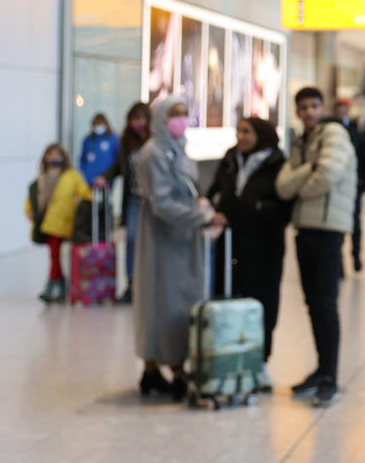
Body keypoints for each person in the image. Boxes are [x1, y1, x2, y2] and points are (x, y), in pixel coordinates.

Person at [132, 96, 226, 400]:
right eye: (175, 114)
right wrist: (203, 216)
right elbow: (162, 203)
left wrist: (199, 205)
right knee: (164, 300)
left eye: (186, 114)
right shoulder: (153, 153)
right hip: (163, 240)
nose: (182, 119)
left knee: (175, 300)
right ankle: (173, 368)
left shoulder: (178, 149)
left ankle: (155, 369)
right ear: (160, 117)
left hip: (182, 237)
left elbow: (184, 190)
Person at [276, 86, 357, 407]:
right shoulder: (302, 140)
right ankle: (321, 370)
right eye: (303, 107)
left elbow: (327, 174)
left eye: (313, 106)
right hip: (305, 228)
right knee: (312, 304)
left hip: (327, 229)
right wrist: (305, 174)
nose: (308, 112)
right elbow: (283, 186)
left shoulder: (334, 134)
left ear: (322, 107)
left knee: (325, 304)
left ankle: (330, 379)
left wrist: (302, 182)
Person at [207, 117, 288, 389]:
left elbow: (284, 205)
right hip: (230, 243)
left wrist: (257, 208)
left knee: (262, 303)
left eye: (247, 132)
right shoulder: (231, 159)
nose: (240, 137)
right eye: (238, 131)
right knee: (229, 296)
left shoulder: (277, 162)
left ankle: (260, 362)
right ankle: (228, 360)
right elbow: (214, 191)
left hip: (264, 246)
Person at [24, 144, 91, 303]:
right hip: (45, 222)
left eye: (57, 154)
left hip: (62, 221)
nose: (53, 158)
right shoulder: (41, 178)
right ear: (45, 158)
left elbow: (84, 192)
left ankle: (50, 286)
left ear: (63, 157)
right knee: (54, 256)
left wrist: (97, 196)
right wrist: (28, 210)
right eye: (50, 154)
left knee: (54, 255)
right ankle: (61, 286)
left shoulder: (72, 175)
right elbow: (32, 199)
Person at [97, 103, 150, 303]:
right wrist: (104, 177)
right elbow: (118, 167)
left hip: (154, 200)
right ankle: (131, 284)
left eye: (141, 118)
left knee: (152, 243)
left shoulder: (156, 142)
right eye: (134, 119)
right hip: (135, 199)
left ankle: (150, 285)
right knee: (132, 240)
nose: (138, 123)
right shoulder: (127, 142)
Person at [332, 100, 365, 273]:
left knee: (355, 225)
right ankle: (339, 263)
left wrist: (363, 185)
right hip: (335, 188)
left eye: (343, 112)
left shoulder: (356, 135)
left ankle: (356, 256)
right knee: (337, 226)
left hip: (353, 188)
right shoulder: (329, 135)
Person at [79, 113, 119, 189]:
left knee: (105, 199)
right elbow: (83, 158)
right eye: (96, 125)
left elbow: (117, 159)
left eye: (100, 124)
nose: (98, 127)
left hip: (106, 178)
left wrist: (109, 177)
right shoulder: (88, 140)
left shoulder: (114, 138)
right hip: (89, 178)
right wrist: (83, 172)